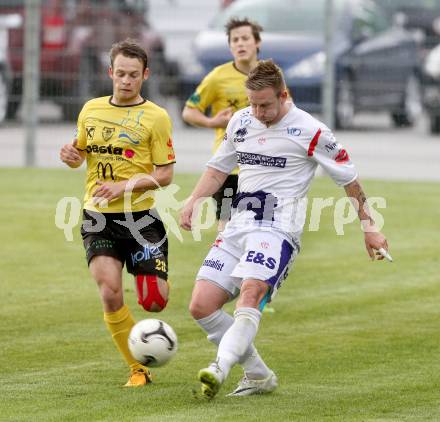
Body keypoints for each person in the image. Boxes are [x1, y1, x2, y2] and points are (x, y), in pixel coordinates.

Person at [179, 60, 390, 399]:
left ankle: (219, 366)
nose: (258, 112)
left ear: (284, 95)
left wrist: (370, 228)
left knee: (250, 293)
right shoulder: (241, 121)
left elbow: (349, 180)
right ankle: (259, 376)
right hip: (238, 226)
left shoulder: (310, 130)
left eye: (265, 104)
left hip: (277, 231)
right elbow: (218, 169)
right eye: (252, 103)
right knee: (201, 306)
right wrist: (193, 199)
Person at [59, 39, 176, 387]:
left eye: (134, 75)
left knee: (154, 303)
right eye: (120, 73)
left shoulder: (156, 117)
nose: (126, 81)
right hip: (98, 218)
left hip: (140, 220)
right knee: (109, 292)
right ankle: (138, 369)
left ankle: (151, 316)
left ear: (145, 75)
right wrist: (71, 156)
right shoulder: (91, 109)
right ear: (110, 72)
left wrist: (125, 187)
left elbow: (165, 174)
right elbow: (81, 152)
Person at [182, 17, 263, 229]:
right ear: (230, 46)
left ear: (257, 42)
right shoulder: (218, 77)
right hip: (228, 169)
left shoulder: (271, 75)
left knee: (260, 230)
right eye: (235, 40)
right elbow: (189, 111)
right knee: (225, 233)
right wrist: (212, 122)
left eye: (245, 38)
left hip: (262, 166)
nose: (240, 44)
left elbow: (285, 109)